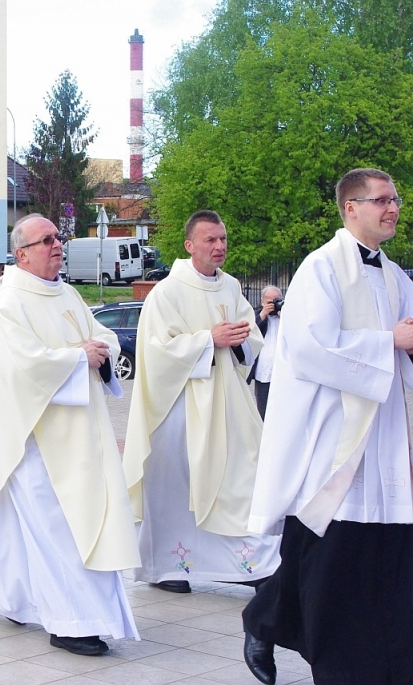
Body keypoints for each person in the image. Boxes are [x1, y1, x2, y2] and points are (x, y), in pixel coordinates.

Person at [0, 214, 140, 657]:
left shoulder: (66, 293)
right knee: (58, 530)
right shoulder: (9, 303)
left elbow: (99, 336)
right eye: (46, 240)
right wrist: (75, 356)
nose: (57, 245)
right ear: (22, 253)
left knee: (47, 529)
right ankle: (71, 622)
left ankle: (14, 598)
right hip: (32, 440)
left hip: (79, 437)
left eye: (58, 237)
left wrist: (102, 350)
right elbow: (20, 367)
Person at [242, 168, 413, 685]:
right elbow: (313, 349)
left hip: (388, 438)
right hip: (337, 442)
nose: (392, 208)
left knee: (387, 561)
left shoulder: (398, 277)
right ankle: (301, 640)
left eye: (396, 199)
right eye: (380, 200)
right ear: (349, 208)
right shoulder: (321, 269)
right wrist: (389, 342)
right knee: (331, 562)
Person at [123, 210, 279, 594]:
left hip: (227, 402)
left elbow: (250, 341)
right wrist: (209, 339)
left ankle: (253, 563)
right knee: (175, 488)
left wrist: (240, 338)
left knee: (242, 476)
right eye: (210, 240)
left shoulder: (230, 287)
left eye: (223, 238)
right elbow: (156, 352)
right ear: (190, 245)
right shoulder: (167, 293)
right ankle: (168, 568)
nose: (220, 246)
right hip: (180, 407)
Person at [248, 285, 283, 419]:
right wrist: (264, 314)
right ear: (263, 302)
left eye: (277, 300)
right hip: (264, 374)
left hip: (283, 372)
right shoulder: (256, 316)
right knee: (264, 411)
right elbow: (249, 332)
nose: (274, 304)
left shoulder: (288, 317)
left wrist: (284, 316)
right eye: (270, 302)